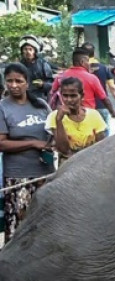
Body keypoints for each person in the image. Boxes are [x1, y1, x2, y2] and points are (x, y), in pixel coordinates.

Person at [0, 63, 54, 244]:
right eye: (9, 81)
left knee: (47, 224)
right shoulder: (3, 108)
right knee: (19, 228)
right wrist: (32, 143)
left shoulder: (41, 105)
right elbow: (2, 143)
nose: (14, 85)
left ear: (27, 83)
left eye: (18, 81)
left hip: (45, 174)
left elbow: (52, 133)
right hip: (18, 177)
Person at [45, 77, 107, 161]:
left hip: (91, 162)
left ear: (82, 96)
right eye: (65, 96)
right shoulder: (54, 116)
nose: (69, 100)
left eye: (73, 96)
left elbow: (102, 146)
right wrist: (59, 120)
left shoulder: (94, 115)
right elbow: (64, 150)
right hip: (68, 165)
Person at [51, 48, 115, 121]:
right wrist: (112, 112)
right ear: (82, 62)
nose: (89, 64)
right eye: (88, 61)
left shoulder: (62, 76)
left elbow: (52, 92)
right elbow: (104, 98)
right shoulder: (92, 78)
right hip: (88, 117)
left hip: (67, 117)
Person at [80, 42, 115, 134]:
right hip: (102, 106)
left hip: (85, 107)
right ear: (94, 53)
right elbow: (113, 88)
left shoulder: (79, 70)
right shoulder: (103, 68)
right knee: (104, 134)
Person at [18, 36, 53, 104]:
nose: (28, 52)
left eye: (30, 49)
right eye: (25, 49)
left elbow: (51, 84)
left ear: (35, 51)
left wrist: (43, 85)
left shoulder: (43, 64)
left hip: (39, 99)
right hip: (22, 99)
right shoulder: (18, 66)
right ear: (22, 51)